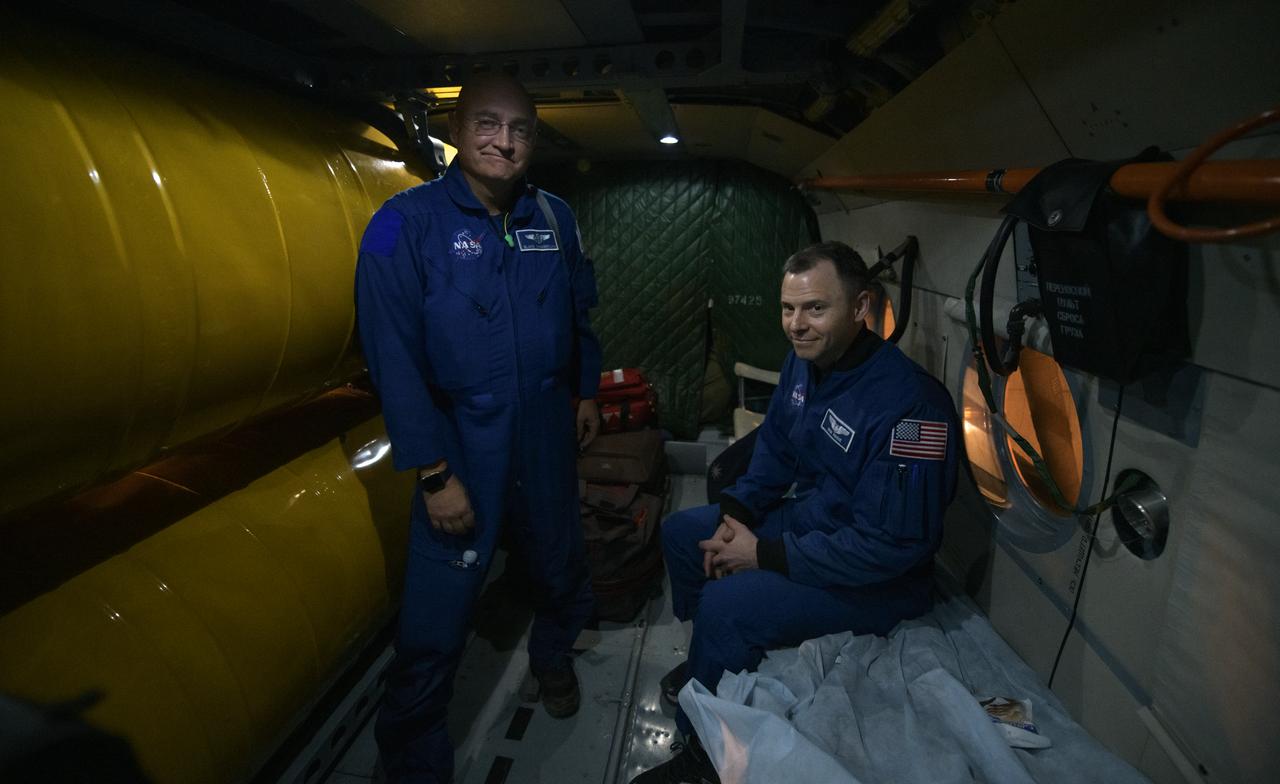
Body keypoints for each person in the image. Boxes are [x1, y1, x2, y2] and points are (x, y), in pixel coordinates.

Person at [631, 241, 960, 784]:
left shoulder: (912, 411)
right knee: (684, 535)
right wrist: (737, 511)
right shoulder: (805, 364)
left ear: (859, 309)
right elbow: (778, 446)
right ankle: (708, 661)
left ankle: (704, 756)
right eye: (788, 308)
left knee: (724, 605)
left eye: (815, 308)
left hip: (878, 577)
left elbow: (893, 545)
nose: (796, 325)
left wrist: (762, 553)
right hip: (816, 524)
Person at [355, 73, 602, 784]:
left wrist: (585, 392)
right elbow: (391, 358)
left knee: (560, 567)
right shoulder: (402, 224)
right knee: (435, 622)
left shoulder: (554, 217)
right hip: (462, 443)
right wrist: (433, 474)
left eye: (520, 129)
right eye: (488, 125)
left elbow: (582, 313)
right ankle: (411, 758)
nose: (504, 141)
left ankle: (553, 661)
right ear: (458, 131)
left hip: (547, 434)